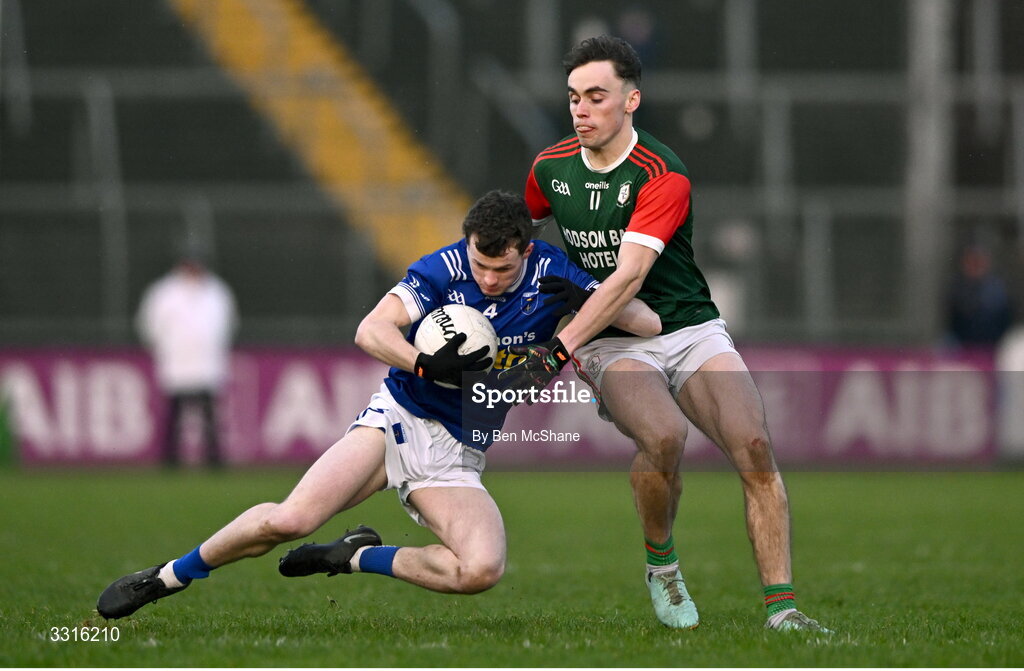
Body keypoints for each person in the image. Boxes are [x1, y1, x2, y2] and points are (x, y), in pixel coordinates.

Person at [96, 190, 660, 620]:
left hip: (456, 453)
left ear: (526, 250)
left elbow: (646, 323)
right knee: (290, 518)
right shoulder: (443, 269)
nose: (488, 279)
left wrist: (589, 298)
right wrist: (422, 361)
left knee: (481, 570)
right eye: (480, 264)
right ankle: (168, 576)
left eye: (502, 269)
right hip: (398, 418)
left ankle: (353, 556)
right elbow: (371, 330)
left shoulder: (553, 272)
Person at [507, 35, 828, 632]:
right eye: (574, 97)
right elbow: (513, 235)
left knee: (755, 449)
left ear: (632, 100)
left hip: (687, 327)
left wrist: (557, 347)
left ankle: (783, 611)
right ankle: (663, 566)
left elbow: (629, 276)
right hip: (609, 339)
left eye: (596, 96)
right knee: (664, 438)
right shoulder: (549, 169)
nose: (580, 109)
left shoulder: (662, 174)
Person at [136, 245, 238, 467]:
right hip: (177, 363)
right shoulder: (164, 292)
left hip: (207, 364)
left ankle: (214, 460)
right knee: (175, 416)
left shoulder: (217, 292)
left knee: (209, 417)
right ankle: (170, 460)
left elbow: (228, 325)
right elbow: (150, 326)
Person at [945, 243, 1013, 347]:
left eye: (978, 262)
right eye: (971, 262)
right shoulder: (957, 288)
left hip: (992, 345)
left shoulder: (997, 289)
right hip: (963, 345)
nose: (974, 266)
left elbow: (1004, 320)